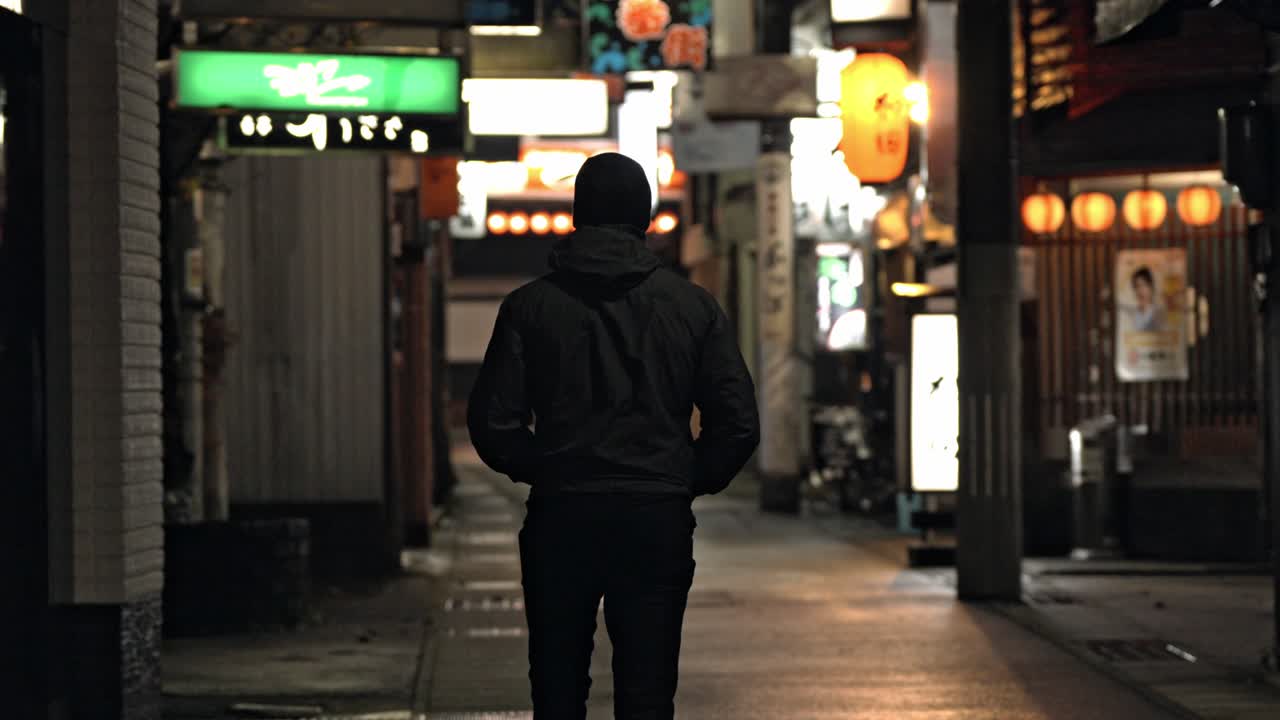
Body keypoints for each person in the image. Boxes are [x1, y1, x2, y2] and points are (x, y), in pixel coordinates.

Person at [467, 152, 760, 719]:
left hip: (563, 516)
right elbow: (738, 422)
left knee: (556, 687)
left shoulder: (530, 307)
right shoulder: (691, 307)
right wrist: (680, 478)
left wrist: (547, 468)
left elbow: (494, 422)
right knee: (648, 690)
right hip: (655, 518)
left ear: (578, 213)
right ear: (645, 218)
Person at [1129, 266, 1166, 332]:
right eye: (1137, 286)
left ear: (1151, 287)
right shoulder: (1131, 315)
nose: (1140, 290)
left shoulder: (1159, 313)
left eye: (1144, 285)